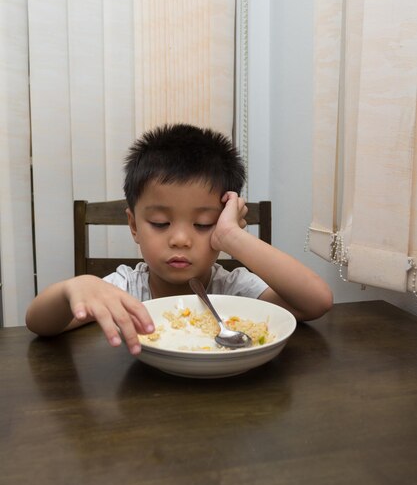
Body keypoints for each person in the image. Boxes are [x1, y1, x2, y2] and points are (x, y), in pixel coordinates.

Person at [26, 123, 333, 354]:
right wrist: (73, 288)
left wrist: (232, 236)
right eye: (160, 223)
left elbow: (316, 302)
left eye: (203, 224)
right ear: (133, 225)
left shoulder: (232, 289)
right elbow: (38, 323)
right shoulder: (126, 289)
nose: (181, 239)